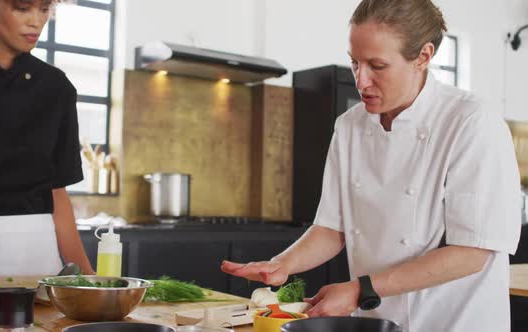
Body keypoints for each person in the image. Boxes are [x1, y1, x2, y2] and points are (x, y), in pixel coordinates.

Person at [222, 0, 521, 331]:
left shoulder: (471, 123)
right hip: (378, 319)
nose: (361, 81)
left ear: (423, 56)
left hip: (452, 321)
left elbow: (471, 252)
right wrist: (282, 264)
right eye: (354, 62)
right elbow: (331, 228)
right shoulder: (350, 126)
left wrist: (358, 290)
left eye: (377, 66)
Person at [0, 0, 95, 276]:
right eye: (22, 8)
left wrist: (87, 280)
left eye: (44, 9)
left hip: (37, 262)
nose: (36, 21)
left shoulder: (57, 88)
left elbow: (57, 194)